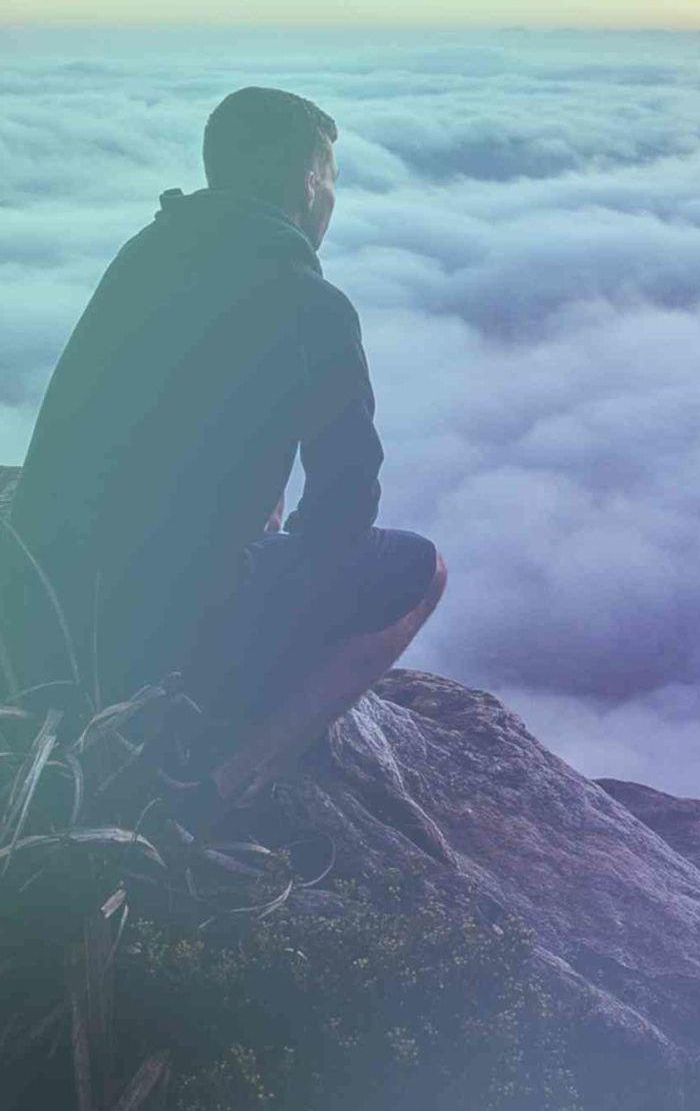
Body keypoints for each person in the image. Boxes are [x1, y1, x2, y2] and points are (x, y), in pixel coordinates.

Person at [0, 85, 446, 831]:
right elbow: (343, 516)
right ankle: (214, 786)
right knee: (420, 569)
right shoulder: (308, 303)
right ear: (307, 183)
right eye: (330, 180)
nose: (331, 200)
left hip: (46, 620)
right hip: (159, 649)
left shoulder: (142, 256)